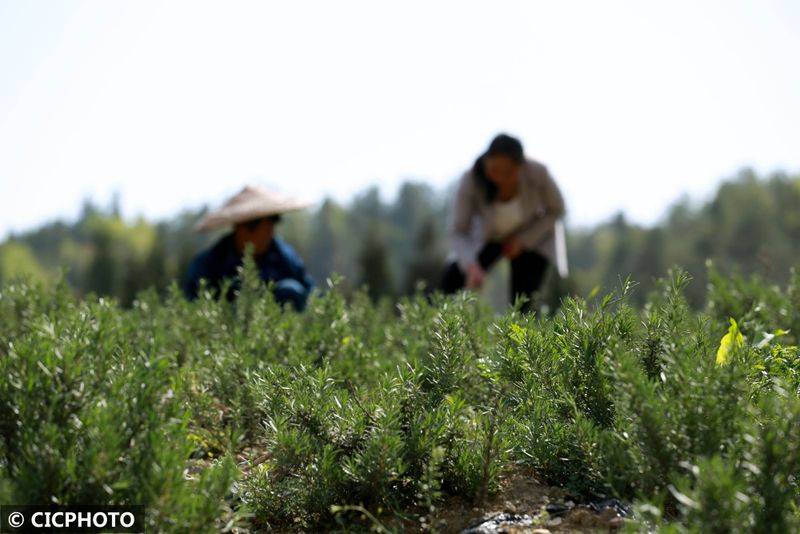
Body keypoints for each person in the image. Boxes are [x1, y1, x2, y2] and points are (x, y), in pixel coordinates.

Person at [441, 133, 566, 310]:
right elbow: (459, 231)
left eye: (507, 173)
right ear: (486, 162)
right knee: (451, 281)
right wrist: (471, 266)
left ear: (520, 167)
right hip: (487, 238)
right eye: (494, 171)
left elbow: (557, 209)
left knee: (523, 301)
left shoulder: (539, 173)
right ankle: (437, 327)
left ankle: (520, 335)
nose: (499, 177)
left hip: (532, 240)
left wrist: (523, 241)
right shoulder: (471, 180)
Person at [183, 185, 314, 310]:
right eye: (267, 228)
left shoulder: (285, 256)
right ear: (243, 229)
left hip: (283, 330)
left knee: (289, 290)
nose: (271, 234)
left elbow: (311, 294)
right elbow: (192, 306)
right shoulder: (209, 264)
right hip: (228, 330)